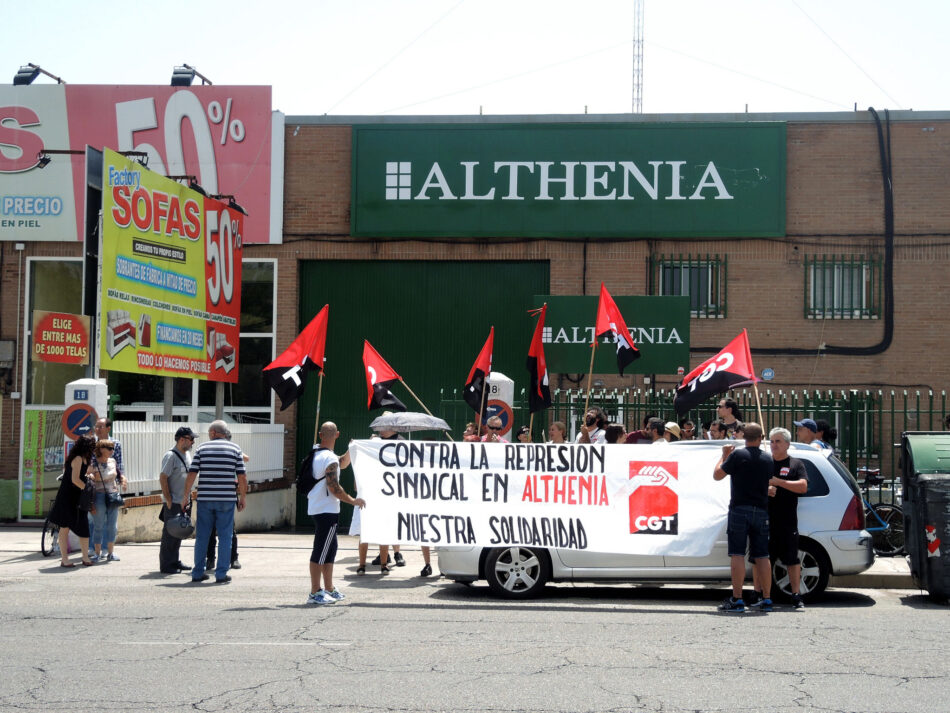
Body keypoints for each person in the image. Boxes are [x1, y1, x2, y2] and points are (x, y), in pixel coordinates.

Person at [713, 422, 773, 613]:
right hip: (761, 510)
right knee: (763, 555)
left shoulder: (738, 455)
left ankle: (737, 598)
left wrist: (724, 456)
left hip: (739, 508)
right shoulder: (767, 458)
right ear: (761, 438)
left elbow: (717, 475)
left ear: (743, 437)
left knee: (737, 554)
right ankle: (767, 599)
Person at [182, 420, 247, 584]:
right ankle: (221, 574)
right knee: (226, 536)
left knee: (202, 536)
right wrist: (243, 497)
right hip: (226, 499)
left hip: (205, 499)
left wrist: (185, 495)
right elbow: (242, 476)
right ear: (225, 434)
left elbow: (192, 473)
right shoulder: (235, 449)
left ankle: (197, 573)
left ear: (213, 433)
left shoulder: (202, 448)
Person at [307, 421, 365, 604]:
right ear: (337, 434)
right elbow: (334, 488)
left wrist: (351, 449)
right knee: (321, 551)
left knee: (330, 550)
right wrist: (353, 500)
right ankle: (315, 592)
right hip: (326, 510)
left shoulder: (318, 453)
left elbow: (342, 463)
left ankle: (329, 588)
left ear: (320, 435)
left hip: (320, 508)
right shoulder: (328, 458)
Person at [762, 427, 809, 610]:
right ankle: (761, 595)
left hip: (787, 520)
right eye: (772, 441)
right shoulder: (765, 463)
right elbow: (752, 486)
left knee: (792, 559)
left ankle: (796, 595)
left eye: (778, 441)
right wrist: (765, 489)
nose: (774, 445)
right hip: (765, 519)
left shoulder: (796, 464)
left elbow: (803, 487)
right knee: (762, 558)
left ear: (787, 444)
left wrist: (779, 482)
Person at [48, 434, 96, 568]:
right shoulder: (78, 458)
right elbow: (75, 479)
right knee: (65, 528)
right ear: (88, 447)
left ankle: (85, 557)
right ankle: (65, 559)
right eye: (92, 446)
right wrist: (86, 488)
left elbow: (81, 475)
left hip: (78, 498)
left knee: (84, 527)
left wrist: (89, 476)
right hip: (68, 497)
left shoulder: (85, 459)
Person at [159, 426, 195, 574]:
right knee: (170, 535)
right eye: (191, 439)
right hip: (173, 502)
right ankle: (167, 565)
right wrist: (168, 498)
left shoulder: (187, 454)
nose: (193, 442)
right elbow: (163, 477)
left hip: (183, 501)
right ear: (182, 439)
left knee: (178, 533)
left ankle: (174, 561)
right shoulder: (171, 456)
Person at [87, 417, 125, 558]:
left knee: (110, 522)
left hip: (111, 490)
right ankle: (92, 547)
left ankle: (106, 550)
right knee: (94, 520)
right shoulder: (91, 444)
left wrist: (122, 479)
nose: (97, 429)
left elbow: (119, 465)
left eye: (101, 426)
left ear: (108, 428)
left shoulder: (115, 444)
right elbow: (88, 467)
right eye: (96, 426)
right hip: (95, 490)